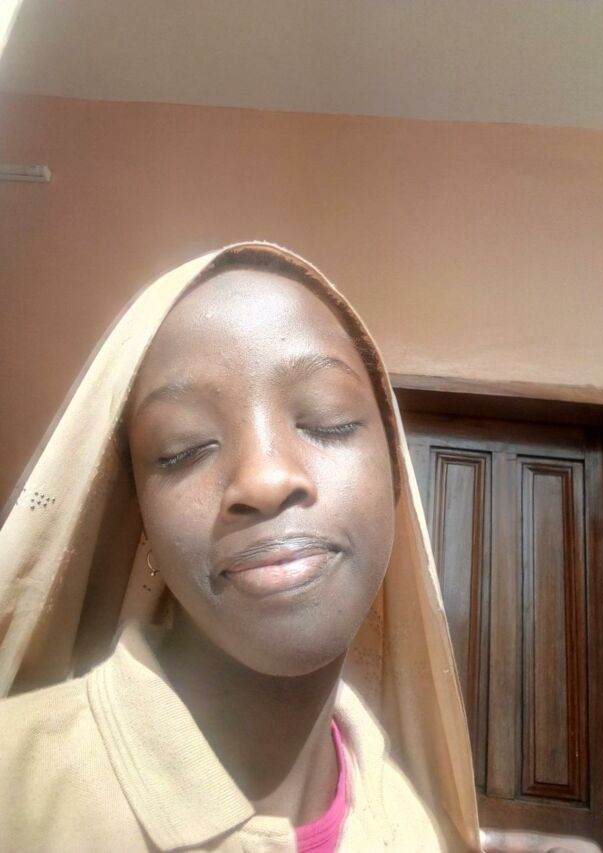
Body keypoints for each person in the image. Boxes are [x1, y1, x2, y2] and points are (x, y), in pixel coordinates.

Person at [0, 242, 482, 851]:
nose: (263, 479)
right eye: (183, 448)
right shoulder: (17, 793)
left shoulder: (414, 828)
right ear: (143, 521)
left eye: (327, 419)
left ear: (394, 478)